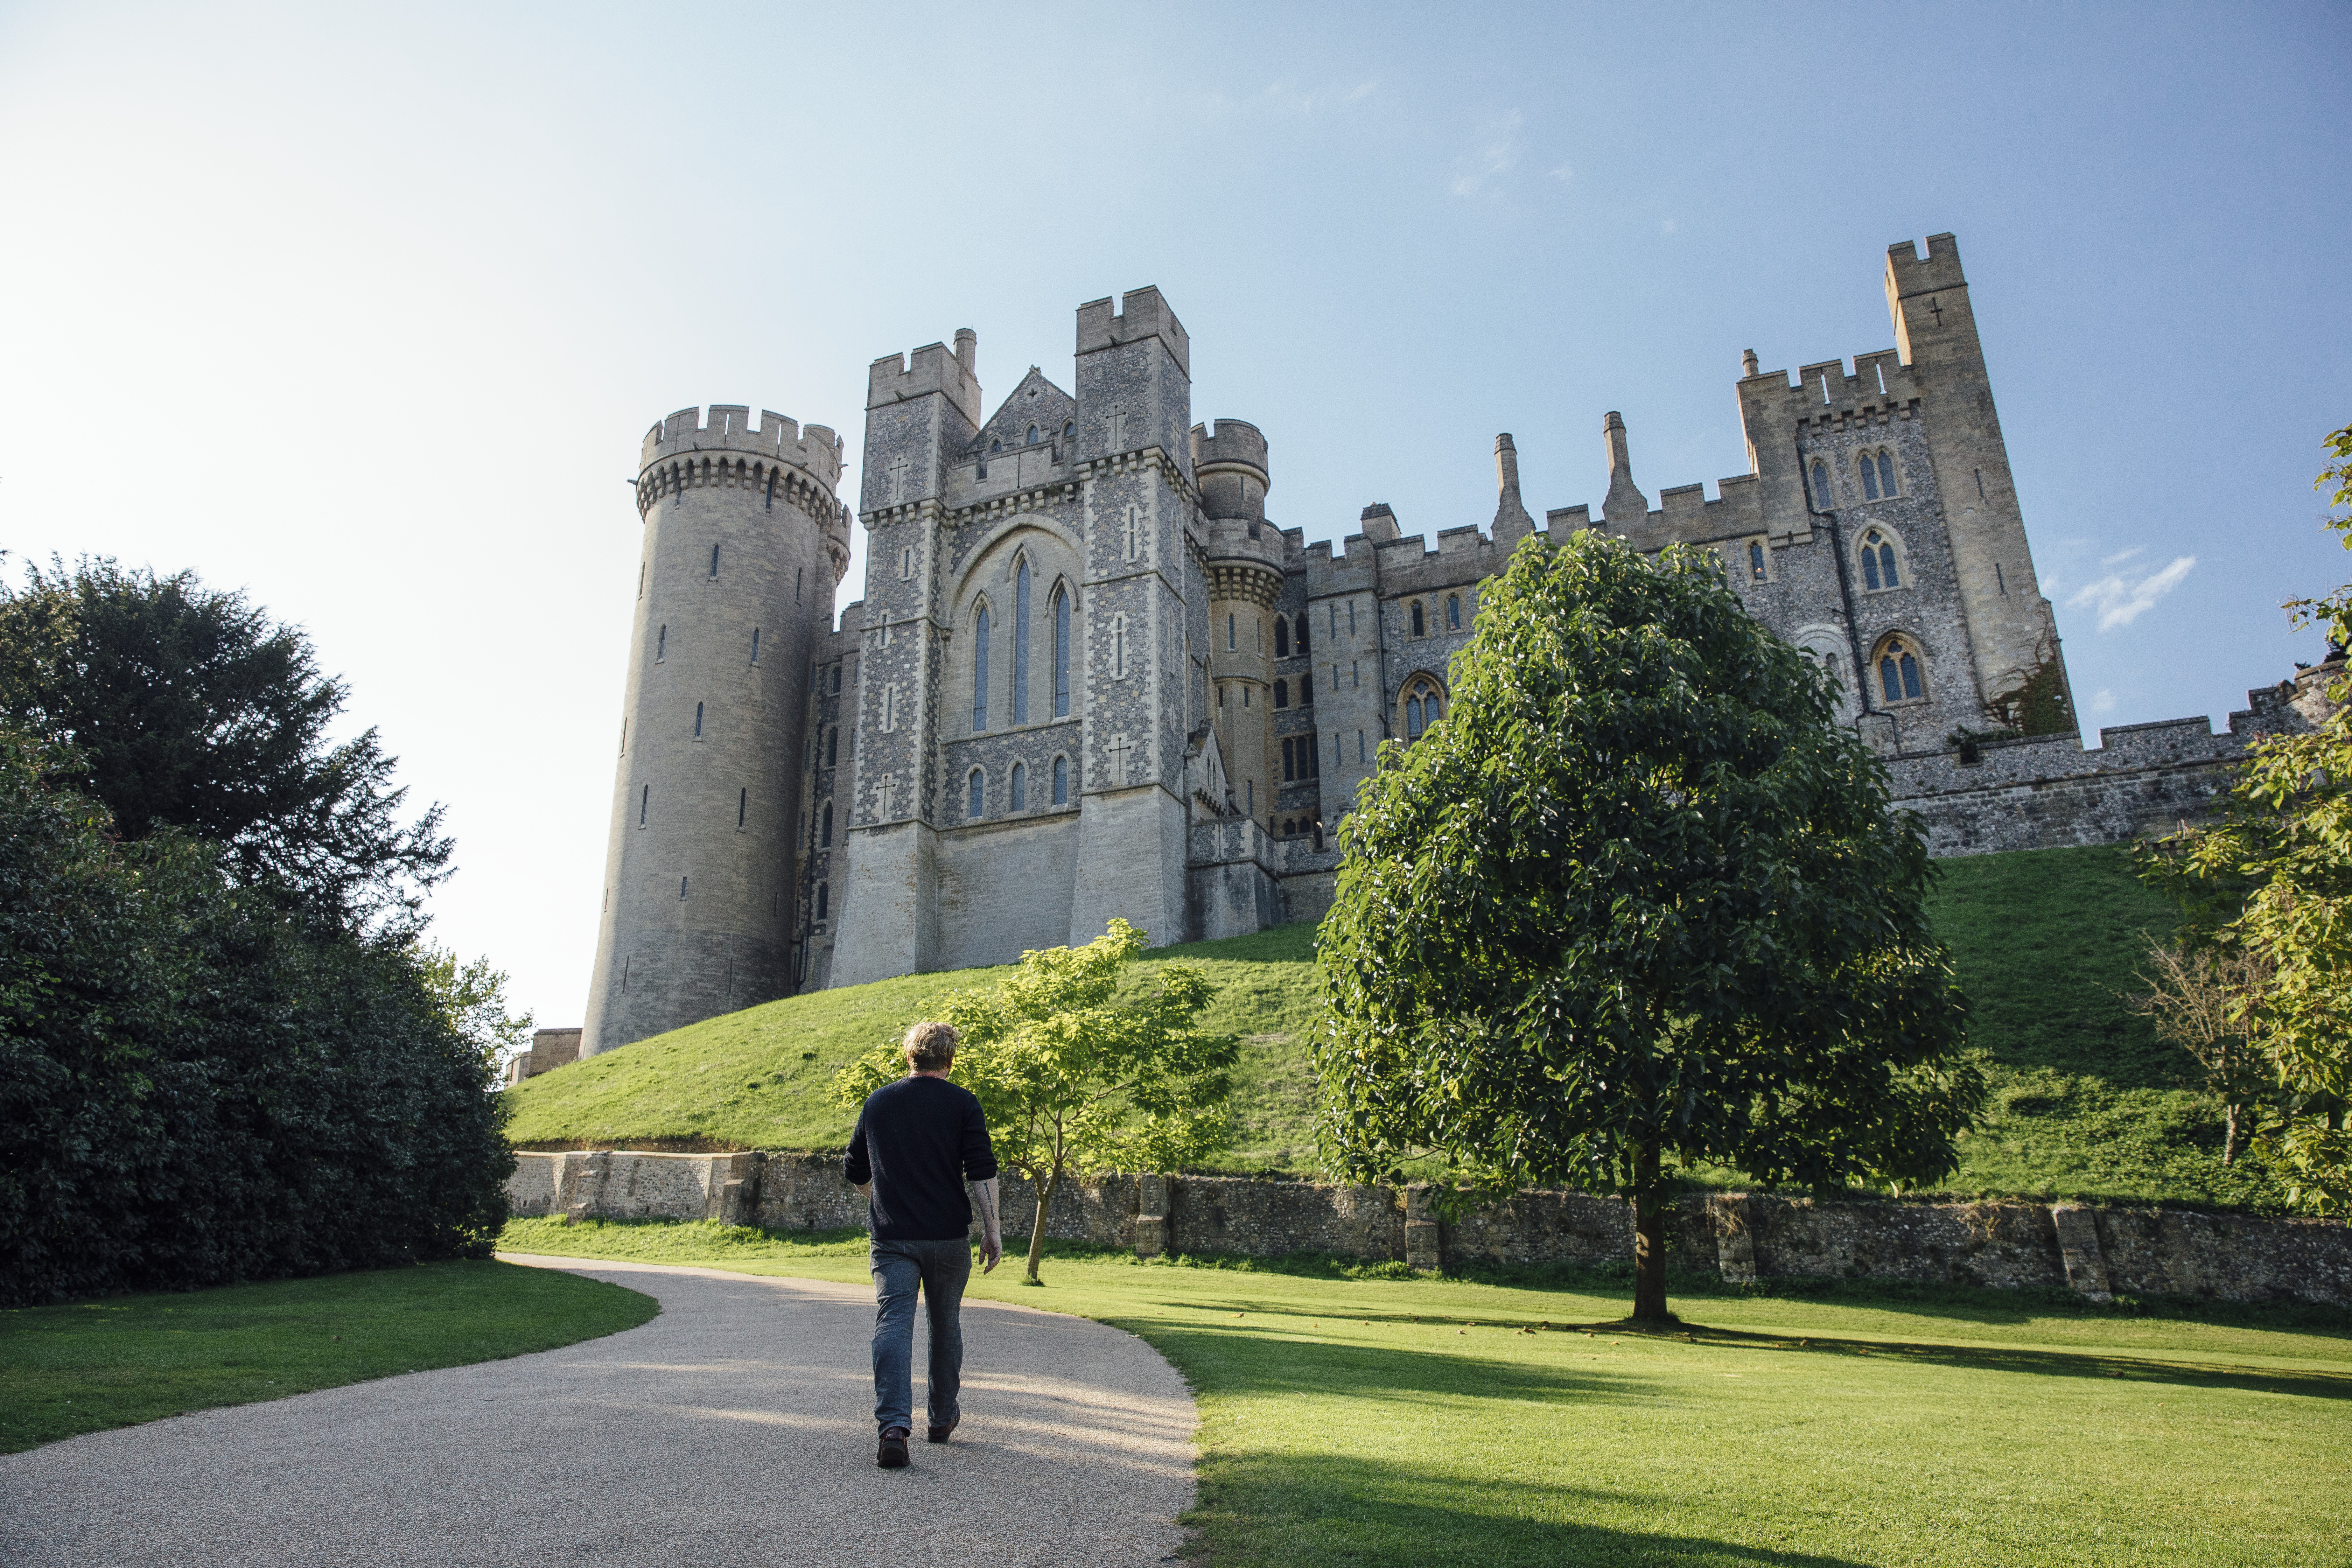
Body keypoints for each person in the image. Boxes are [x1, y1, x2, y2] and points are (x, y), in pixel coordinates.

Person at [844, 1020, 1003, 1469]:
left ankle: (894, 1427)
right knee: (945, 1324)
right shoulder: (963, 1104)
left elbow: (855, 1169)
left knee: (893, 1321)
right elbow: (981, 1170)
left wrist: (879, 1197)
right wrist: (993, 1229)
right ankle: (940, 1418)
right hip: (949, 1236)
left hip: (893, 1237)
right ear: (950, 1060)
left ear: (909, 1057)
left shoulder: (878, 1103)